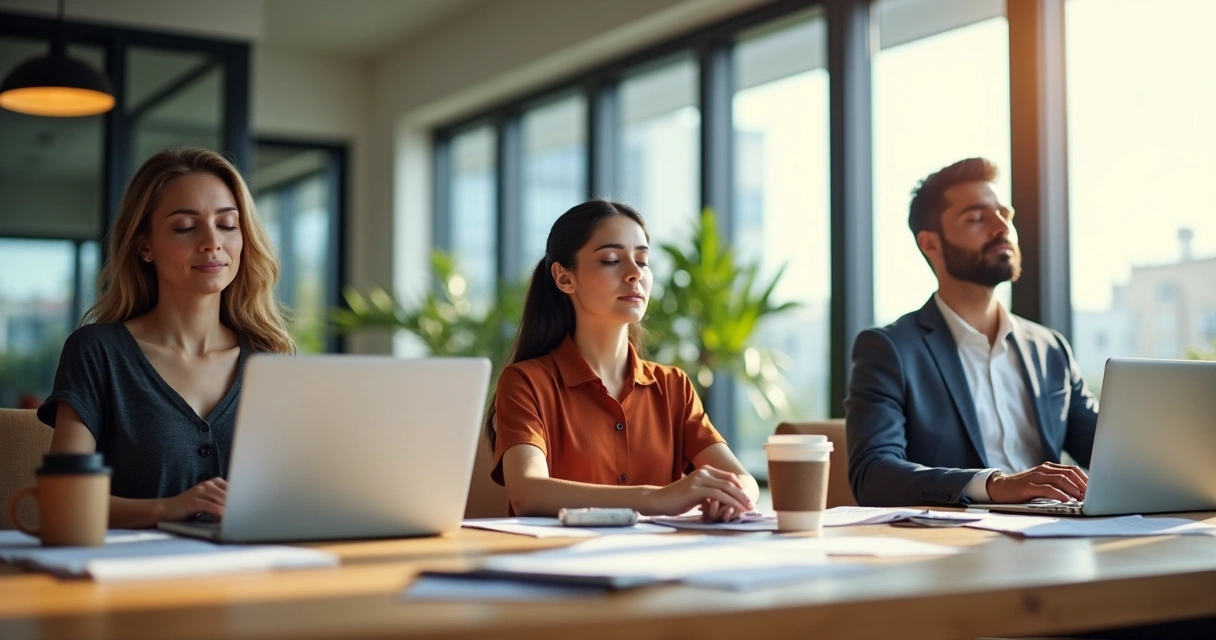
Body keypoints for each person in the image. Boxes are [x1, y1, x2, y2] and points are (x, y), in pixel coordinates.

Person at [38, 147, 294, 528]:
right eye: (185, 227)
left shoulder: (269, 361)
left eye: (227, 225)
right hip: (131, 579)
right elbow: (61, 501)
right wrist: (166, 508)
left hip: (252, 576)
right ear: (145, 245)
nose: (212, 242)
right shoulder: (97, 352)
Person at [846, 157, 1097, 507]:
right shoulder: (890, 350)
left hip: (1057, 533)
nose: (1001, 227)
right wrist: (994, 485)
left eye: (1005, 215)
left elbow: (1109, 453)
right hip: (958, 546)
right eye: (977, 218)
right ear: (930, 244)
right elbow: (872, 475)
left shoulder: (1050, 348)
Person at [487, 199, 758, 521]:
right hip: (559, 562)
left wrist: (732, 496)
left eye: (643, 261)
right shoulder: (527, 382)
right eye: (611, 260)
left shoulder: (673, 386)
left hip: (656, 564)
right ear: (564, 278)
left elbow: (744, 481)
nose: (634, 274)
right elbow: (527, 493)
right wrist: (658, 498)